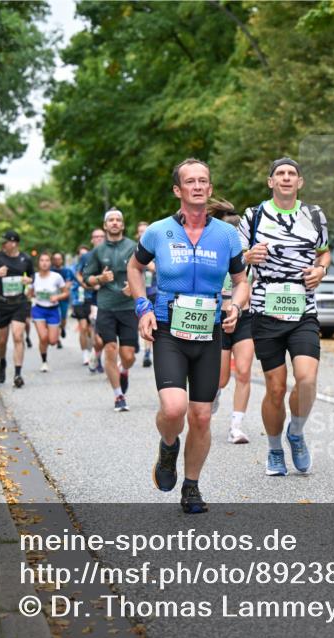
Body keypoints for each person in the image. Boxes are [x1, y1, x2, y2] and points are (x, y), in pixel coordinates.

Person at [129, 158, 249, 514]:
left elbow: (241, 281)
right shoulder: (157, 232)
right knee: (173, 408)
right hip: (168, 329)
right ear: (178, 191)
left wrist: (236, 307)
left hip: (209, 333)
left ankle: (191, 486)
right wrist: (143, 308)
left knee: (200, 416)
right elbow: (134, 268)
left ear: (210, 189)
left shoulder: (227, 236)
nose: (197, 186)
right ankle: (168, 447)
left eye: (203, 181)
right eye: (190, 182)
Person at [241, 157, 330, 476]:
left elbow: (325, 252)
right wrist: (248, 256)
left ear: (300, 182)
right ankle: (275, 449)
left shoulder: (315, 215)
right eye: (280, 173)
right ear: (271, 182)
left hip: (303, 309)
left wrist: (320, 269)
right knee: (276, 388)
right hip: (265, 309)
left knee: (306, 379)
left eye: (292, 174)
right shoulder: (253, 216)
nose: (286, 178)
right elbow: (236, 261)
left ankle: (297, 431)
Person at [209, 198, 255, 444]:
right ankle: (214, 393)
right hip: (218, 317)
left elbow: (254, 285)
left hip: (244, 317)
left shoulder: (250, 259)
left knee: (245, 372)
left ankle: (236, 426)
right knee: (221, 378)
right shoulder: (212, 255)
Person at [82, 210, 139, 412]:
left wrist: (134, 287)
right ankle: (118, 396)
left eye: (118, 220)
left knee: (129, 355)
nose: (115, 223)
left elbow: (141, 271)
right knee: (110, 350)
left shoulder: (133, 247)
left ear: (122, 225)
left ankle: (124, 370)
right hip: (106, 306)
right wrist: (99, 279)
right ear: (105, 226)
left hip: (128, 307)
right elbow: (86, 279)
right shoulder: (97, 252)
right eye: (111, 220)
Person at [0, 230, 34, 387]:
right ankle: (3, 361)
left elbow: (33, 276)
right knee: (2, 340)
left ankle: (18, 374)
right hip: (1, 304)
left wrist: (29, 279)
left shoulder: (25, 258)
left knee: (18, 336)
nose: (2, 244)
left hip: (19, 302)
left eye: (5, 242)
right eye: (2, 242)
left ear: (14, 243)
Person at [30, 252, 69, 372]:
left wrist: (57, 297)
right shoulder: (34, 277)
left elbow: (66, 292)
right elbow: (30, 293)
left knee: (52, 341)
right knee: (43, 337)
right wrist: (30, 294)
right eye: (42, 260)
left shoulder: (56, 276)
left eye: (47, 260)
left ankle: (53, 333)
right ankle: (44, 361)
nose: (44, 263)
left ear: (50, 262)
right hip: (38, 309)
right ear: (38, 263)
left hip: (53, 310)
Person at [76, 228, 106, 373]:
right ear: (92, 240)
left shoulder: (111, 254)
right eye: (96, 237)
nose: (99, 239)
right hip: (92, 299)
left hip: (110, 299)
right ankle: (97, 358)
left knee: (108, 334)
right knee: (97, 333)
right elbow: (78, 273)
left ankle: (99, 356)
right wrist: (86, 284)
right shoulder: (86, 256)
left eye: (102, 236)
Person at [135, 221, 158, 369]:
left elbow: (158, 269)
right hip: (142, 294)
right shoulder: (134, 251)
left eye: (146, 231)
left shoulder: (157, 248)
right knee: (143, 324)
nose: (143, 233)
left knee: (152, 324)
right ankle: (147, 351)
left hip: (156, 292)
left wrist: (149, 264)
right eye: (140, 231)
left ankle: (148, 353)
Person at [70, 246, 93, 365]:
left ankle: (92, 350)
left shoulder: (93, 267)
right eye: (81, 254)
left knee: (91, 329)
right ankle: (85, 353)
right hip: (78, 300)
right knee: (83, 327)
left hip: (92, 299)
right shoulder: (73, 269)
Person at [50, 252, 75, 348]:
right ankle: (58, 340)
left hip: (64, 298)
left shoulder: (67, 271)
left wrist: (62, 289)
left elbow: (68, 284)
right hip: (52, 299)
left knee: (63, 318)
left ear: (62, 260)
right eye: (55, 259)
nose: (57, 261)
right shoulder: (50, 271)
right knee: (56, 318)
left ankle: (63, 327)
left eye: (59, 259)